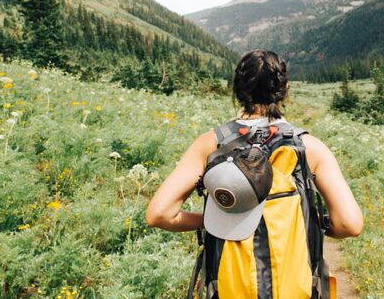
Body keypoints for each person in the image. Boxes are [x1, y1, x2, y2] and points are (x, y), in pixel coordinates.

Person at [146, 49, 362, 296]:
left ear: (237, 90)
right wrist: (313, 222)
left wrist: (214, 220)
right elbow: (350, 224)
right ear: (284, 89)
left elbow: (159, 214)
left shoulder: (211, 144)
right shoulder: (309, 148)